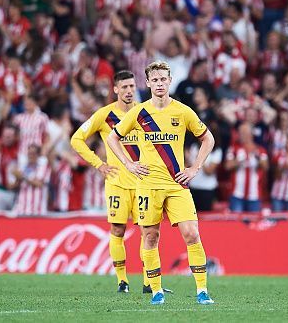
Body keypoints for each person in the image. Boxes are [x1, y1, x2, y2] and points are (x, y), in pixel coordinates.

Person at [107, 61, 215, 305]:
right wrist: (129, 164)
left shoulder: (183, 111)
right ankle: (155, 291)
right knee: (151, 237)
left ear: (169, 81)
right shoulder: (139, 112)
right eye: (154, 80)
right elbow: (114, 138)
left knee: (191, 234)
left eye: (163, 79)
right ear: (148, 83)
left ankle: (202, 291)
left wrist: (195, 167)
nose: (158, 84)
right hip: (147, 185)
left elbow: (208, 139)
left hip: (177, 184)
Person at [71, 70, 151, 294]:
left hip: (143, 183)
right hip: (116, 183)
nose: (128, 91)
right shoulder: (105, 115)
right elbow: (76, 139)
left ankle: (148, 283)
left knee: (148, 232)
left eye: (132, 87)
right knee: (117, 230)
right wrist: (99, 164)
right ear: (115, 89)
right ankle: (122, 282)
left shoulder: (144, 112)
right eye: (124, 87)